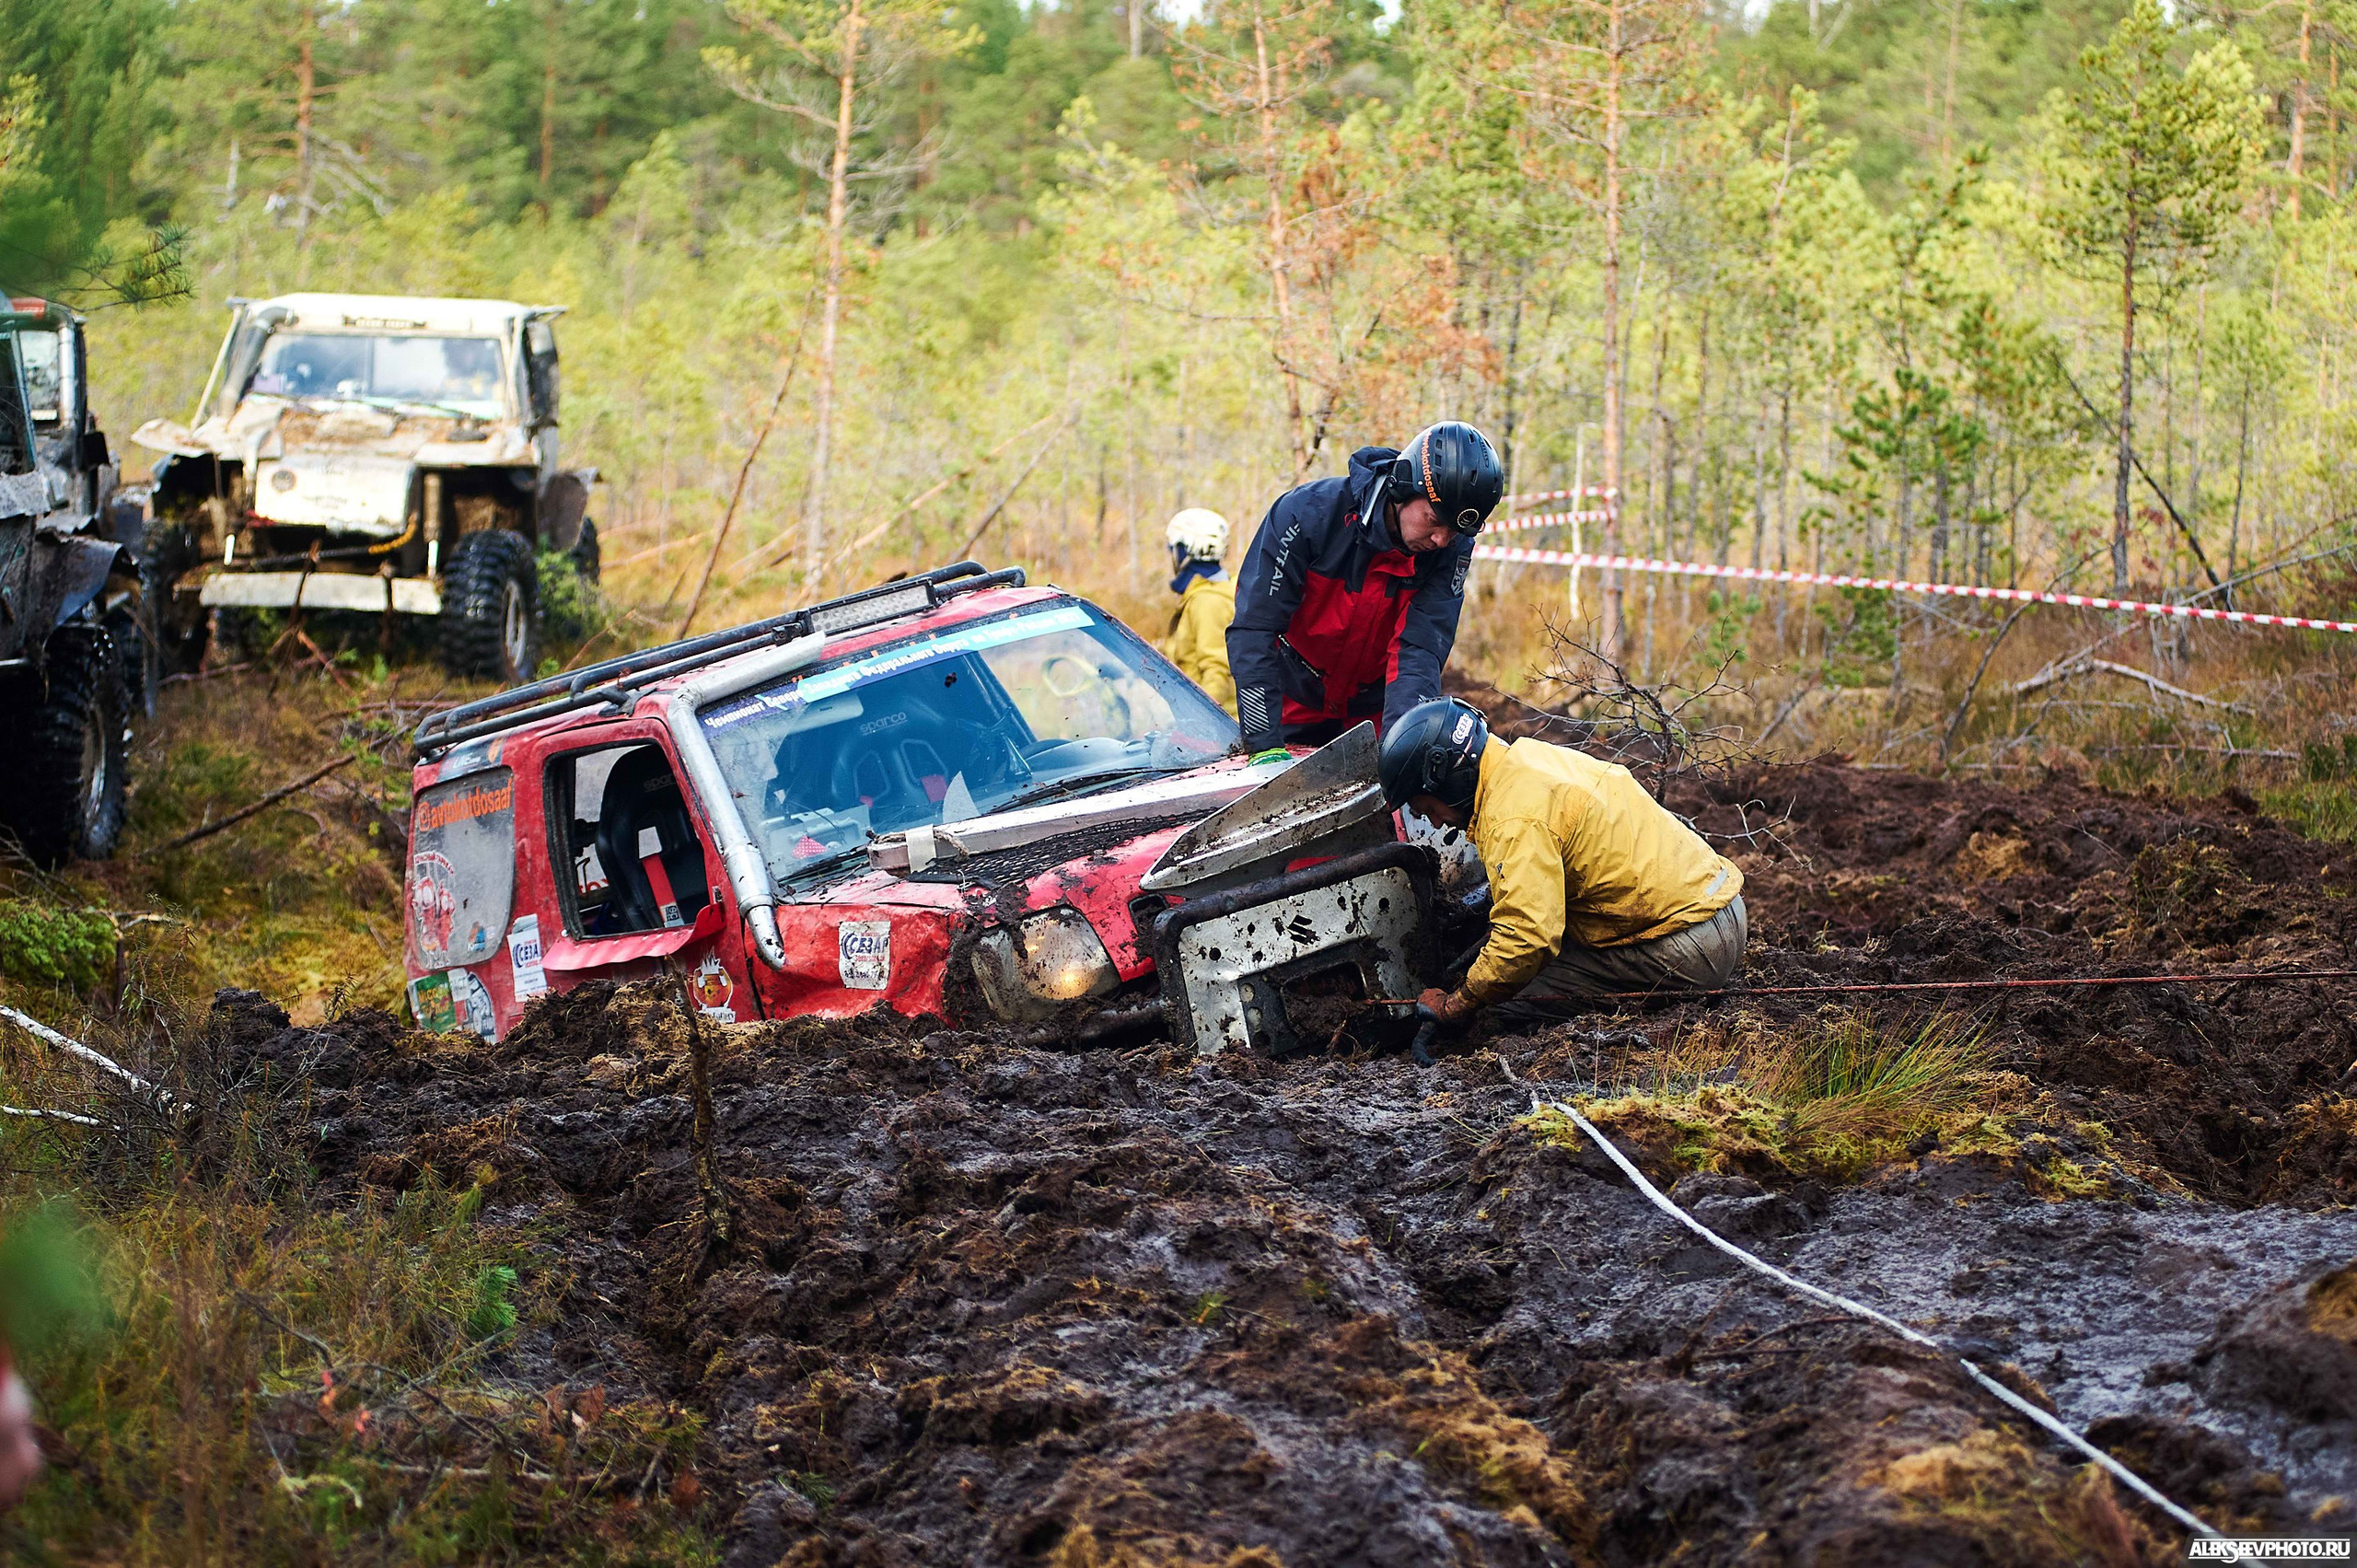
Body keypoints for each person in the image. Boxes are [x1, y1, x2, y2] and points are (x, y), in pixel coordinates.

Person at [1377, 698, 1747, 1024]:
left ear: (1448, 780)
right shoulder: (1527, 759)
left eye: (1427, 808)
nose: (1436, 822)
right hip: (1723, 905)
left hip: (1693, 946)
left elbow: (1528, 939)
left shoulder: (1512, 819)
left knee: (1500, 1005)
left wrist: (1457, 1004)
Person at [1227, 422, 1503, 761]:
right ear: (1404, 485)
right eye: (1434, 520)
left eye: (1455, 530)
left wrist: (1402, 755)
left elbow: (1419, 650)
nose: (1441, 540)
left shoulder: (1450, 549)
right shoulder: (1306, 515)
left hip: (1373, 713)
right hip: (1291, 707)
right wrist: (1263, 743)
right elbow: (1255, 629)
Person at [1163, 507, 1237, 716]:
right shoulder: (1216, 591)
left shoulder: (1208, 602)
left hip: (1218, 728)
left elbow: (1217, 673)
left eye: (1174, 549)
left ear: (1186, 550)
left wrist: (1197, 726)